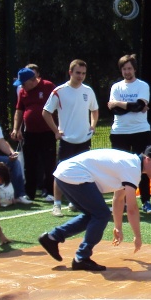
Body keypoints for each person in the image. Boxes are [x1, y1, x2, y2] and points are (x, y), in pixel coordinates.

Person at [37, 145, 151, 272]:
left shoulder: (130, 165)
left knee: (93, 215)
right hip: (73, 174)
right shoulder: (133, 168)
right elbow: (132, 208)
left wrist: (118, 227)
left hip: (65, 174)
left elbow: (118, 199)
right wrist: (137, 236)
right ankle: (81, 257)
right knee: (101, 214)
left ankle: (52, 238)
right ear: (148, 159)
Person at [43, 59, 100, 216]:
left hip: (84, 139)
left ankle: (76, 202)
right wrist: (56, 130)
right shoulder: (59, 91)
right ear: (70, 73)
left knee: (83, 172)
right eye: (78, 73)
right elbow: (46, 112)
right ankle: (57, 204)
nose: (81, 76)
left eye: (83, 73)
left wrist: (93, 125)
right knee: (61, 171)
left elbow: (94, 110)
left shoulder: (88, 91)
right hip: (67, 140)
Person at [107, 54, 151, 213]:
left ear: (134, 69)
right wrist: (133, 106)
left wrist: (120, 104)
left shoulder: (143, 86)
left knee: (142, 167)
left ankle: (146, 201)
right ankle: (124, 202)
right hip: (119, 132)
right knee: (120, 169)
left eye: (129, 68)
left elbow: (138, 105)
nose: (127, 72)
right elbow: (115, 111)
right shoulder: (116, 87)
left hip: (140, 131)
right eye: (124, 69)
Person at [11, 65, 57, 202]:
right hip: (30, 133)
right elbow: (19, 111)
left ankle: (50, 191)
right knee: (29, 164)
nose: (22, 87)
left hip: (48, 132)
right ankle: (29, 193)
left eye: (23, 84)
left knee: (49, 163)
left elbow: (59, 105)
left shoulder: (48, 86)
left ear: (32, 80)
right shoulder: (23, 92)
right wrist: (16, 128)